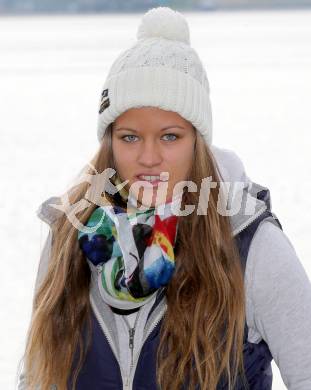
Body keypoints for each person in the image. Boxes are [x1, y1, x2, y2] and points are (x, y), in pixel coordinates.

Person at [16, 6, 311, 390]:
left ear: (197, 142)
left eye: (170, 136)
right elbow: (36, 379)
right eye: (130, 137)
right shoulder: (70, 234)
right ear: (109, 142)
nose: (149, 157)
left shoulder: (250, 246)